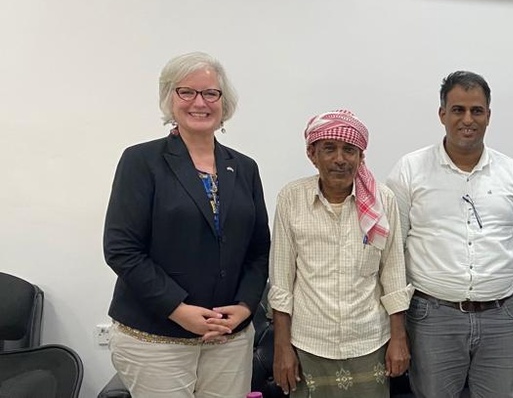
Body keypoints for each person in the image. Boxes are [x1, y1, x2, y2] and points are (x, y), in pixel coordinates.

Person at [103, 52, 270, 397]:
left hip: (229, 338)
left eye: (211, 93)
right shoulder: (141, 161)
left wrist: (244, 306)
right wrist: (178, 310)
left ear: (224, 103)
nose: (200, 102)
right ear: (169, 98)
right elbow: (122, 250)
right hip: (155, 338)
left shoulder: (244, 168)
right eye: (187, 92)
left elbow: (258, 250)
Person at [386, 70, 513, 398]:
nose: (467, 119)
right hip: (432, 319)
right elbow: (391, 253)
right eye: (458, 110)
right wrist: (397, 327)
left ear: (488, 115)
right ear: (442, 114)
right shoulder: (409, 170)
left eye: (477, 110)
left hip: (503, 319)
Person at [268, 110, 413, 398]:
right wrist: (282, 348)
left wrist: (399, 339)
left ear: (361, 157)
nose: (340, 159)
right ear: (312, 154)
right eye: (329, 149)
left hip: (369, 342)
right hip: (309, 343)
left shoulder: (382, 200)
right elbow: (281, 282)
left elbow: (394, 275)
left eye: (349, 150)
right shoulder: (291, 199)